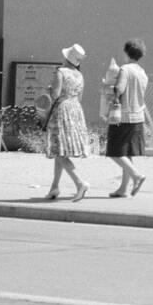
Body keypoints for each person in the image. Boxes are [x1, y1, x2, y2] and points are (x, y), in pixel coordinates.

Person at [43, 44, 93, 201]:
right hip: (75, 111)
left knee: (59, 150)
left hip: (62, 110)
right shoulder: (79, 75)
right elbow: (79, 97)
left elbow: (56, 94)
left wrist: (49, 90)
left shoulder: (61, 72)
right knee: (61, 150)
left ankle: (79, 183)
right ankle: (54, 187)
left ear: (66, 57)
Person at [106, 38, 149, 197]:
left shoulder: (125, 69)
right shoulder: (142, 72)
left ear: (127, 52)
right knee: (127, 152)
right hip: (138, 116)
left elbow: (120, 89)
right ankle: (123, 188)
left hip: (123, 116)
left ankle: (136, 175)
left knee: (114, 151)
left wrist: (110, 87)